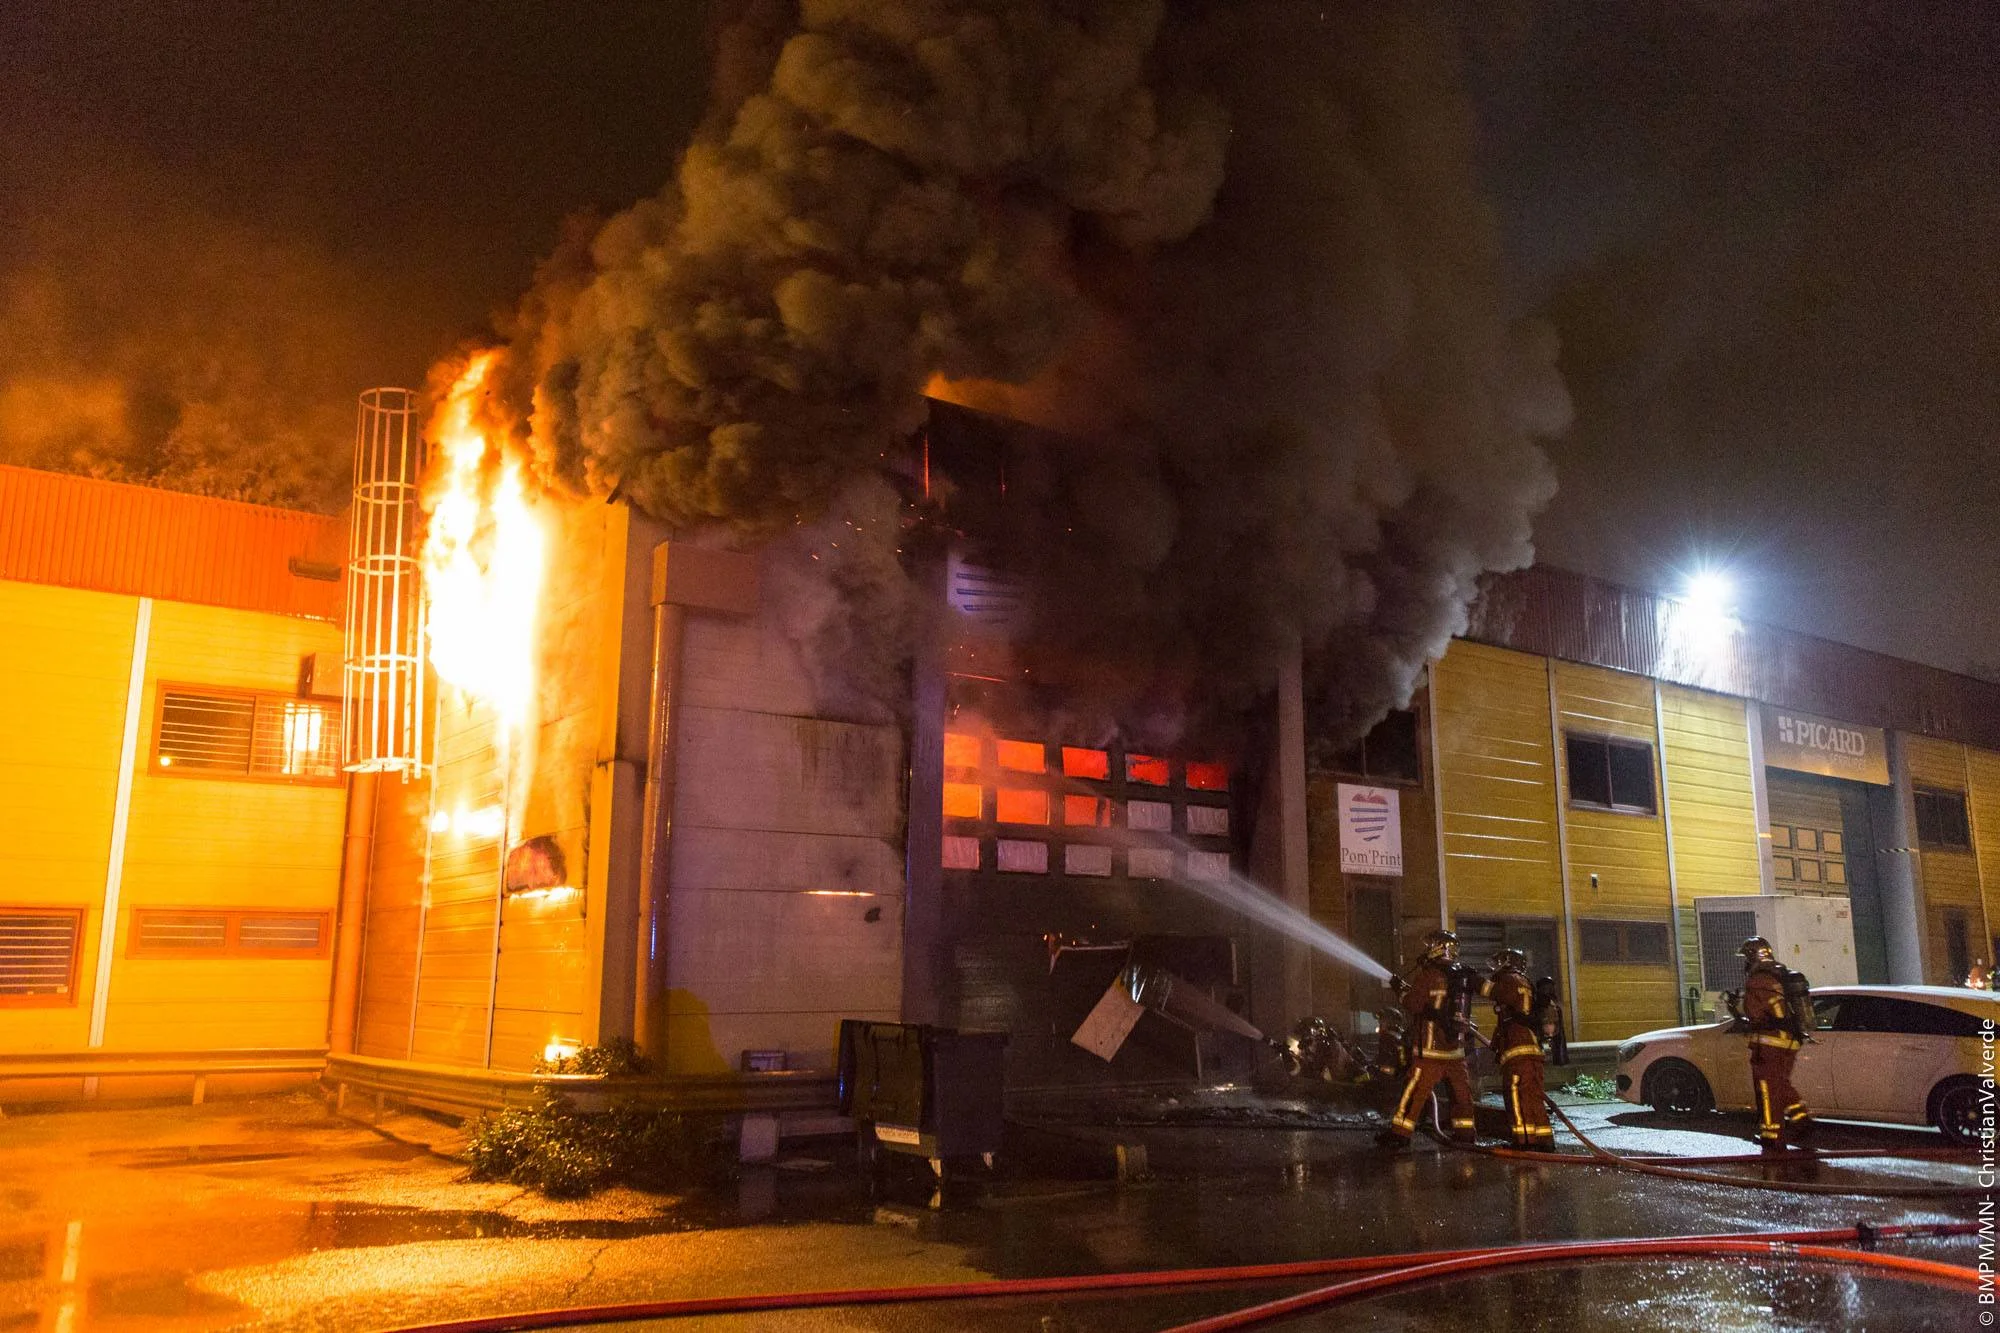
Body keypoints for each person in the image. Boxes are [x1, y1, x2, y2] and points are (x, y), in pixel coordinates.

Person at [1377, 929, 1478, 1149]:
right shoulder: (1462, 975)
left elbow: (1414, 1004)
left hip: (1431, 1050)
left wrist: (1399, 991)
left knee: (1414, 1091)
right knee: (1462, 1093)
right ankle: (1465, 1133)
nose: (1428, 949)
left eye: (1431, 945)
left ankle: (1400, 1134)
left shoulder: (1429, 974)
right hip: (1456, 1049)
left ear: (1440, 947)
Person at [1730, 936, 1813, 1154]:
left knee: (1768, 1089)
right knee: (1780, 1083)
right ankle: (1801, 1118)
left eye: (1745, 957)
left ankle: (1772, 1137)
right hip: (1789, 1040)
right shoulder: (1780, 973)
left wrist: (1736, 1011)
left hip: (1769, 1042)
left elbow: (1755, 1015)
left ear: (1752, 957)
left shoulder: (1757, 980)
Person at [1487, 948, 1555, 1149]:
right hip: (1532, 1050)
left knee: (1516, 1096)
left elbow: (1489, 991)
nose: (1496, 967)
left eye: (1500, 962)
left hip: (1518, 1051)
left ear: (1509, 963)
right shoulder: (1527, 984)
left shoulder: (1509, 980)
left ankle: (1523, 1141)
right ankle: (1544, 1140)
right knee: (1533, 1097)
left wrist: (1470, 980)